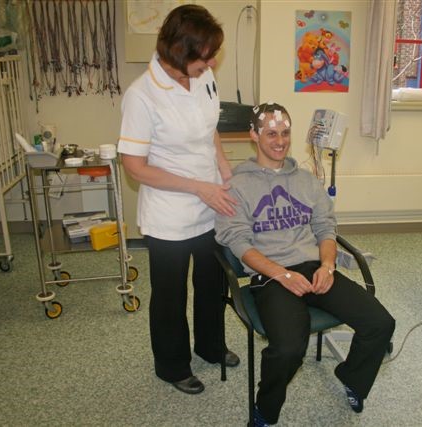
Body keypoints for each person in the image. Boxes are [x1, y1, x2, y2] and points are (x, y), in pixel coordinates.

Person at [215, 102, 395, 425]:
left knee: (380, 323)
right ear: (253, 136)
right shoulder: (237, 186)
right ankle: (264, 411)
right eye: (271, 133)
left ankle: (352, 378)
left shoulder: (306, 180)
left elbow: (326, 228)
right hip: (270, 277)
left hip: (314, 270)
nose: (280, 140)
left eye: (284, 133)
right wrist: (281, 274)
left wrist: (327, 266)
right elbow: (239, 244)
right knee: (287, 349)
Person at [117, 4, 239, 395]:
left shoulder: (202, 77)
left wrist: (223, 168)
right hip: (170, 213)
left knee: (211, 283)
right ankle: (172, 365)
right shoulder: (142, 95)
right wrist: (197, 186)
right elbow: (134, 166)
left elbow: (209, 129)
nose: (213, 61)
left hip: (210, 203)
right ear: (180, 51)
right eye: (205, 55)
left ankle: (211, 345)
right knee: (170, 296)